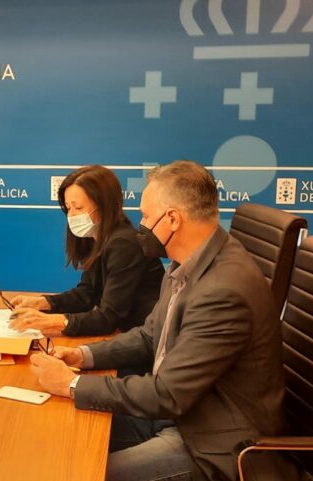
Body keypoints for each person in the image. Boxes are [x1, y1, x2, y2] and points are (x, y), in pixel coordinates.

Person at [29, 161, 296, 481]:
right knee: (59, 432)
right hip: (183, 414)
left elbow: (168, 393)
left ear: (172, 219)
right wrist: (82, 356)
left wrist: (71, 384)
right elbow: (148, 335)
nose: (141, 225)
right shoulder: (188, 263)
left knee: (80, 473)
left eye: (146, 216)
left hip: (212, 443)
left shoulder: (223, 291)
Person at [8, 165, 163, 336]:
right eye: (68, 208)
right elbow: (87, 294)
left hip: (144, 341)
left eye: (78, 208)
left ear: (104, 205)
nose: (71, 216)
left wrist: (52, 321)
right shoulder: (99, 238)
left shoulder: (124, 244)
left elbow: (108, 317)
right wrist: (43, 303)